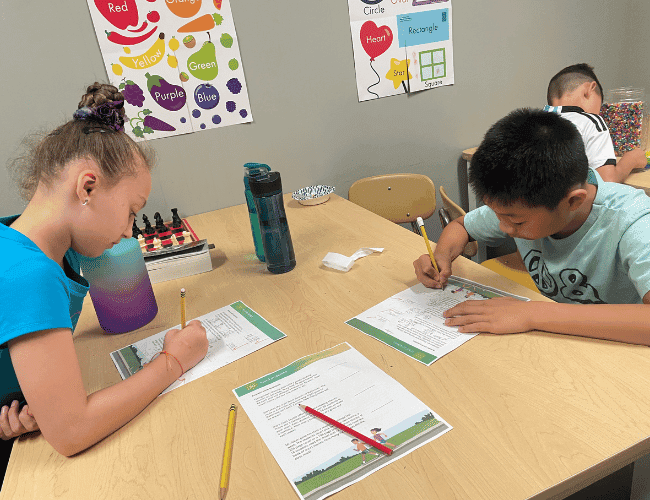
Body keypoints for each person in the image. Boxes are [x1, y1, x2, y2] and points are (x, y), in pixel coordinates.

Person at [0, 83, 209, 474]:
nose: (131, 231)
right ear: (88, 186)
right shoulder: (30, 274)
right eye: (132, 211)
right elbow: (72, 432)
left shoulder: (22, 240)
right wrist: (173, 361)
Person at [413, 108, 650, 344]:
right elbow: (461, 226)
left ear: (573, 201)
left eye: (515, 221)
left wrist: (532, 313)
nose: (504, 228)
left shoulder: (635, 221)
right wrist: (442, 255)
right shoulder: (523, 203)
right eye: (499, 216)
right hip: (559, 336)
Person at [544, 63, 647, 183]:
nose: (598, 114)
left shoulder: (533, 122)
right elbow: (607, 182)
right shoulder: (592, 121)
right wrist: (631, 160)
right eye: (599, 108)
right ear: (589, 90)